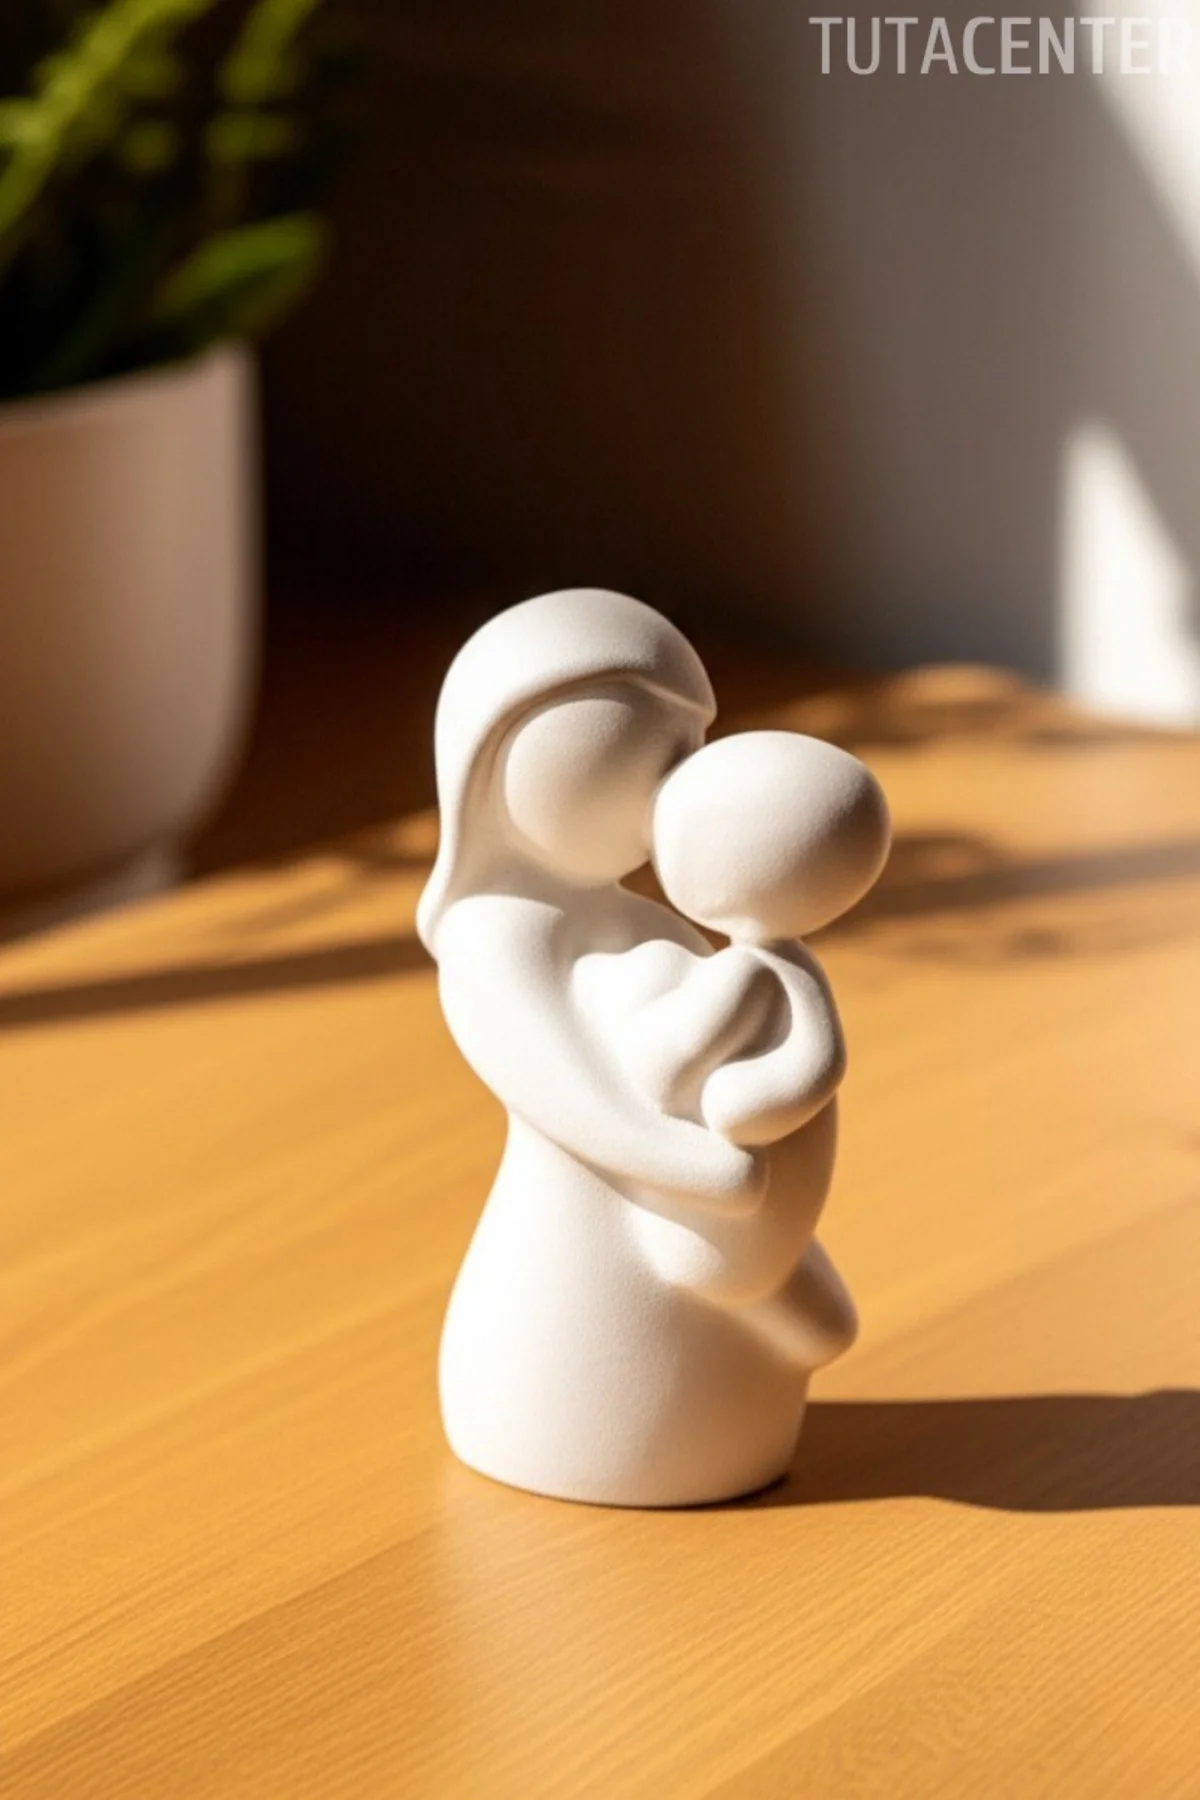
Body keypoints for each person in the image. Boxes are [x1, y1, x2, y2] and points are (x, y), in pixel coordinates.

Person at [419, 589, 858, 1507]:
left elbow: (732, 1041)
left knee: (735, 1337)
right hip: (598, 1265)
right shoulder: (492, 932)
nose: (658, 783)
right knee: (640, 1334)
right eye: (606, 742)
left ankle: (768, 1284)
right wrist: (685, 1161)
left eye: (680, 748)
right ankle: (755, 1291)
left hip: (710, 1232)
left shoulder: (653, 921)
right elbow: (560, 1087)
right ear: (492, 760)